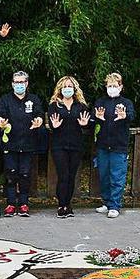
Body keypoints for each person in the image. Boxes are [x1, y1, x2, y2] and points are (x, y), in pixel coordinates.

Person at [0, 71, 45, 216]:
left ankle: (23, 203)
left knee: (25, 174)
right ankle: (10, 203)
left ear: (27, 83)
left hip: (28, 143)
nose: (19, 85)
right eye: (16, 82)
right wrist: (0, 121)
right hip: (10, 144)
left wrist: (39, 121)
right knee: (10, 174)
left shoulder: (34, 99)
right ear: (12, 84)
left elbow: (39, 114)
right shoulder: (5, 99)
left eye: (22, 82)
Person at [91, 72, 135, 219]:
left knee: (117, 176)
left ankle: (115, 205)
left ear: (121, 87)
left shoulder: (126, 102)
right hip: (103, 145)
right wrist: (98, 118)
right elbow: (93, 118)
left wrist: (125, 116)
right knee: (104, 175)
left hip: (119, 146)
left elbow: (132, 116)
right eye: (109, 86)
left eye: (115, 86)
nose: (112, 88)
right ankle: (107, 202)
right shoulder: (100, 102)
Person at [47, 75, 92, 218]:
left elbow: (88, 125)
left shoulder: (81, 106)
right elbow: (51, 124)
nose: (67, 89)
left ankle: (68, 204)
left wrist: (85, 125)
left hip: (76, 145)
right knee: (63, 175)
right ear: (60, 89)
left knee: (71, 176)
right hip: (59, 145)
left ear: (74, 89)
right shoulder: (54, 105)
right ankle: (61, 205)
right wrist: (54, 126)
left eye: (70, 86)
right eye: (65, 86)